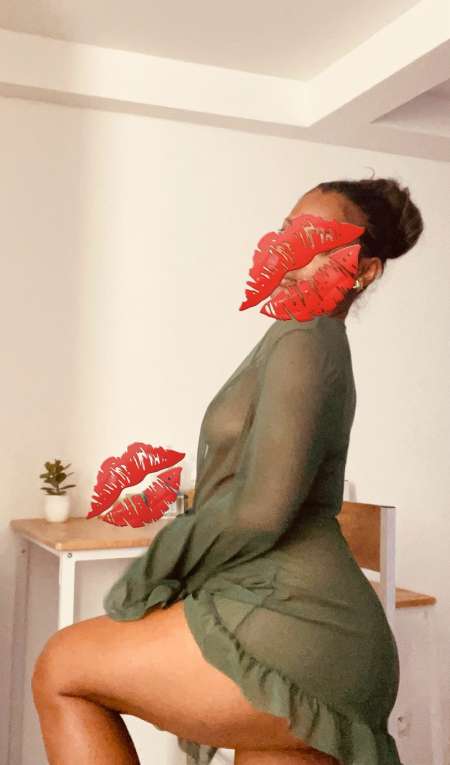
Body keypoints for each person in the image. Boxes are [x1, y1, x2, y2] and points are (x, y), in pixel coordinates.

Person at [31, 176, 423, 765]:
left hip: (297, 625)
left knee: (61, 668)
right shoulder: (305, 337)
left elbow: (262, 511)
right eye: (287, 231)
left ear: (363, 271)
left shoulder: (308, 334)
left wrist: (152, 577)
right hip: (318, 634)